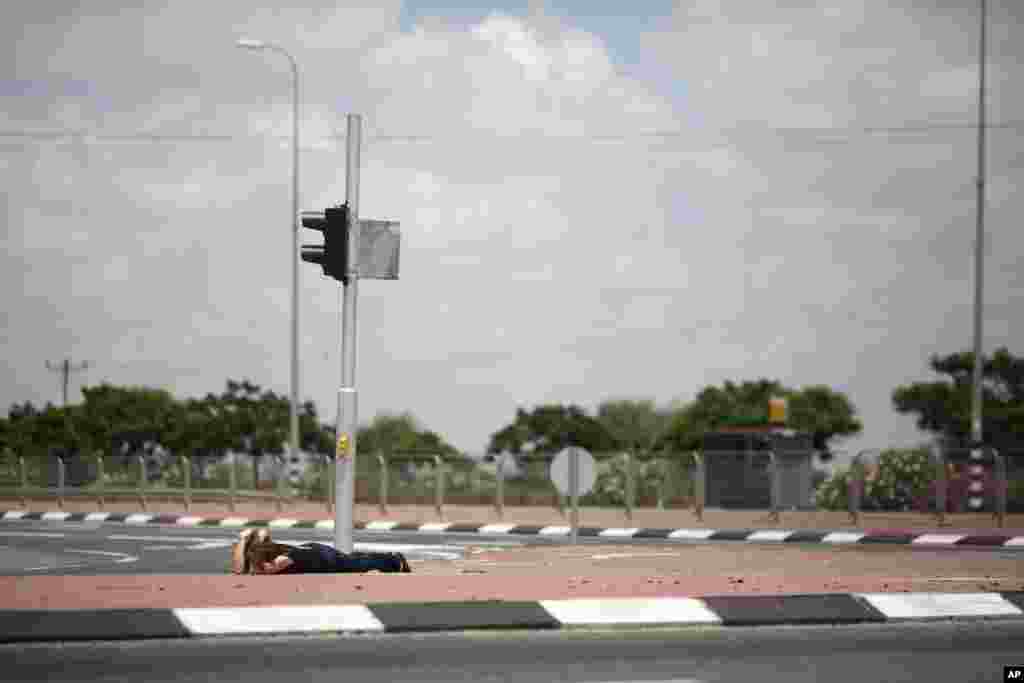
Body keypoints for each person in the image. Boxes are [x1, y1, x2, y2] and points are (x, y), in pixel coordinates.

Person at [231, 528, 411, 575]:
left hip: (322, 558)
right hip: (315, 551)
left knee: (356, 565)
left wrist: (244, 539)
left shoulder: (280, 561)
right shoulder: (275, 551)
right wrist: (245, 539)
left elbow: (239, 570)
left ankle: (395, 561)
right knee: (353, 560)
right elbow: (263, 535)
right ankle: (393, 559)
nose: (253, 564)